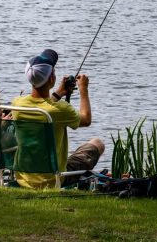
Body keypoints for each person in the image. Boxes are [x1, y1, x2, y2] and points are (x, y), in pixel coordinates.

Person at [11, 49, 104, 189]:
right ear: (51, 79)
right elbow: (86, 119)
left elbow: (44, 107)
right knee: (97, 143)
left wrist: (59, 93)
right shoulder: (60, 109)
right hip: (54, 179)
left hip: (24, 178)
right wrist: (83, 89)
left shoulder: (17, 104)